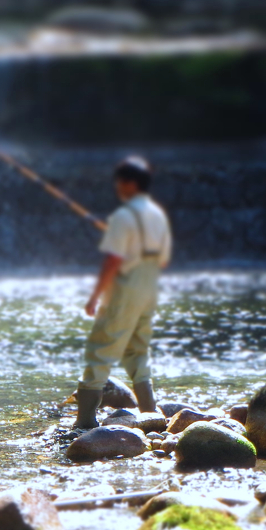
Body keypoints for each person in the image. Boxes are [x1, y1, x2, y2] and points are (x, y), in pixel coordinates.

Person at [74, 156, 172, 429]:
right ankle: (150, 413)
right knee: (138, 349)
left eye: (119, 181)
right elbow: (162, 260)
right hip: (149, 290)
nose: (117, 185)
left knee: (100, 349)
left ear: (130, 183)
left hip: (125, 290)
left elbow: (112, 261)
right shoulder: (157, 215)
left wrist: (94, 297)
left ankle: (84, 422)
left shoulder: (122, 217)